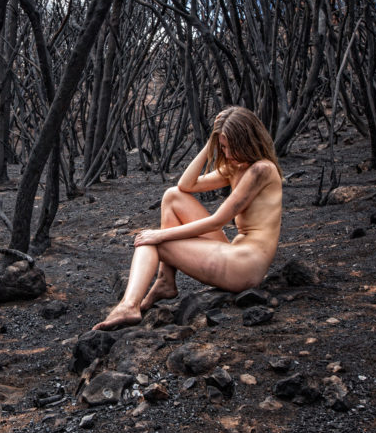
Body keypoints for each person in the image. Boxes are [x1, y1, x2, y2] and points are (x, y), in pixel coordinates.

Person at [93, 106, 283, 331]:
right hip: (235, 253)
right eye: (223, 147)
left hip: (246, 267)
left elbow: (217, 221)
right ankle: (165, 279)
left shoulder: (261, 170)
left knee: (152, 243)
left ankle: (128, 305)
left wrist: (160, 235)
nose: (228, 154)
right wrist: (210, 144)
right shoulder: (236, 167)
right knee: (172, 196)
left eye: (233, 147)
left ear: (248, 142)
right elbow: (186, 185)